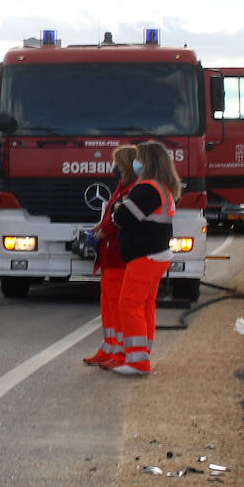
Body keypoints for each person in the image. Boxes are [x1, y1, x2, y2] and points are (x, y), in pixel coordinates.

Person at [107, 140, 179, 375]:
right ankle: (143, 353)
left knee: (129, 304)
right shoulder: (163, 187)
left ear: (148, 162)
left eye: (139, 157)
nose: (135, 162)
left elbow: (122, 219)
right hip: (156, 254)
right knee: (145, 304)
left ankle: (137, 361)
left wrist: (118, 208)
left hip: (145, 256)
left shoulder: (147, 189)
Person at [82, 144, 140, 366]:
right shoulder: (121, 187)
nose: (113, 167)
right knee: (107, 303)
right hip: (108, 256)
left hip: (118, 255)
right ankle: (108, 347)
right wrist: (96, 229)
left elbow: (118, 221)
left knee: (117, 305)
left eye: (117, 162)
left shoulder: (132, 189)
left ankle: (120, 353)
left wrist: (99, 235)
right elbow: (109, 214)